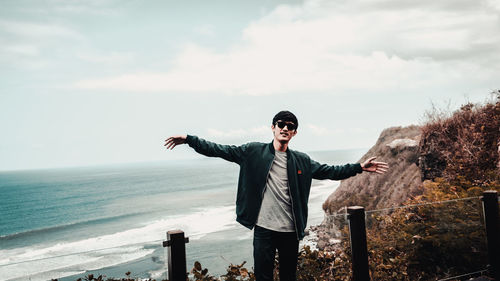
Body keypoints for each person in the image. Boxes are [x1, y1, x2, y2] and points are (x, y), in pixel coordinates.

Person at [164, 110, 389, 281]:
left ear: (294, 132)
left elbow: (331, 171)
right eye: (281, 124)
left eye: (290, 126)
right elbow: (220, 149)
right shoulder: (253, 152)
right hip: (264, 230)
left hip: (290, 232)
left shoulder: (301, 161)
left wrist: (359, 166)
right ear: (273, 127)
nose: (285, 128)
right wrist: (189, 139)